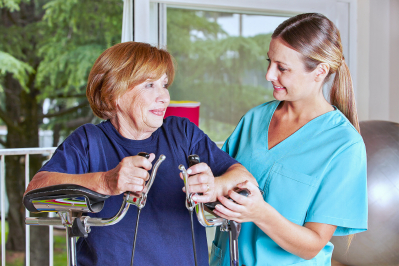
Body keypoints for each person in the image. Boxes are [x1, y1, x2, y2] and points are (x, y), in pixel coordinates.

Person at [24, 42, 255, 266]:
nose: (164, 97)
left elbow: (244, 179)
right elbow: (34, 193)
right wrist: (105, 181)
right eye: (149, 85)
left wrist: (214, 184)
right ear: (114, 93)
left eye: (164, 84)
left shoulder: (182, 132)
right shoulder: (88, 141)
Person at [210, 13, 368, 266]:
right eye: (269, 62)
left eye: (282, 68)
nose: (269, 74)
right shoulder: (255, 119)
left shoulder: (344, 145)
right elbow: (220, 180)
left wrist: (260, 213)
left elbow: (312, 245)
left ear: (319, 71)